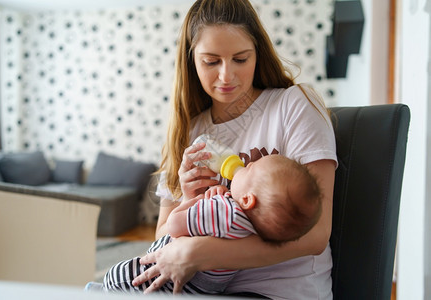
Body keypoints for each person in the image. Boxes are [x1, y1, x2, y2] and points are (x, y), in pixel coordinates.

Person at [132, 0, 337, 298]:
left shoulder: (294, 105)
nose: (226, 76)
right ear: (191, 61)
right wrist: (188, 199)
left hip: (281, 291)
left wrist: (203, 252)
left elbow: (316, 235)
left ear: (258, 53)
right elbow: (162, 234)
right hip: (203, 290)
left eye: (240, 59)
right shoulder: (187, 132)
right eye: (211, 62)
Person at [102, 154, 323, 294]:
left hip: (153, 281)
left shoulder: (226, 212)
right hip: (194, 290)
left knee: (113, 276)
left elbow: (174, 225)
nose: (246, 163)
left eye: (250, 168)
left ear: (246, 200)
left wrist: (195, 199)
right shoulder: (249, 229)